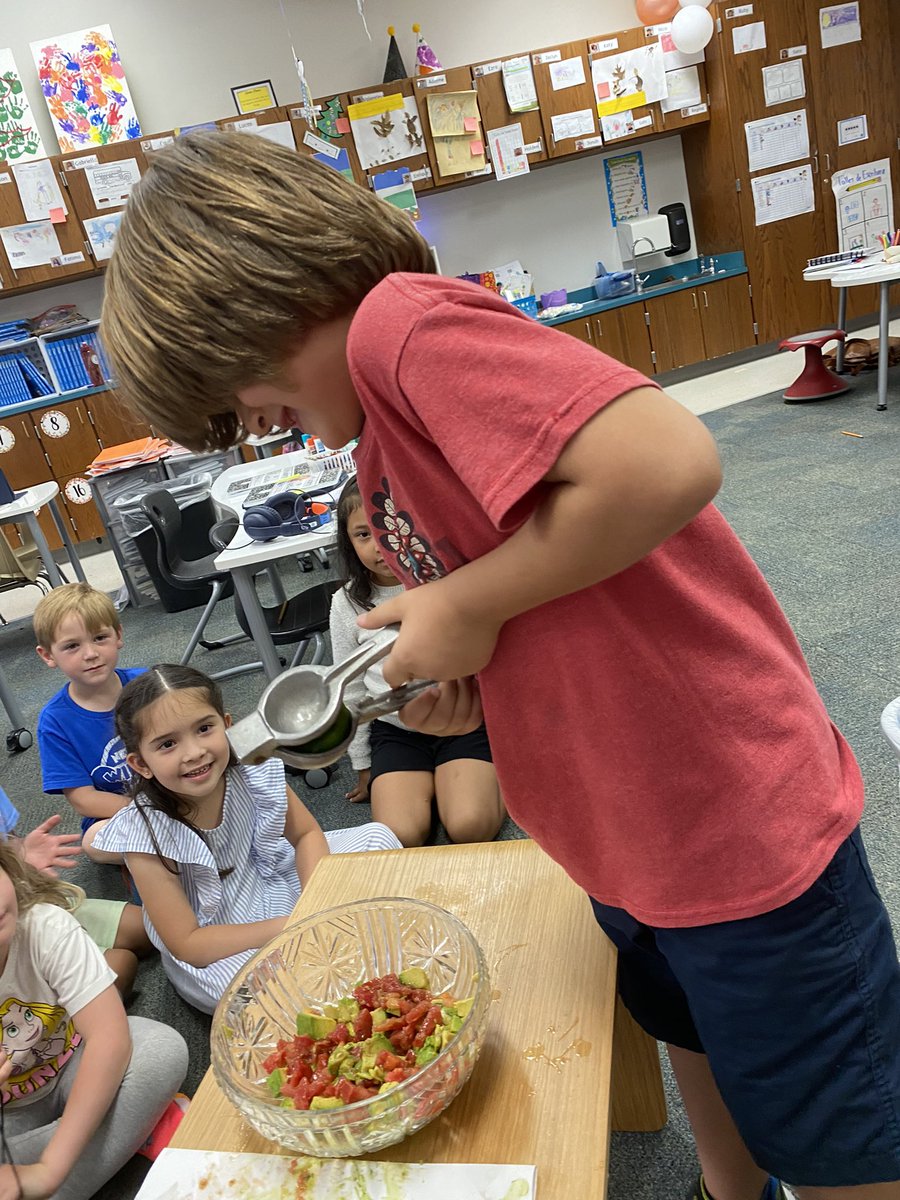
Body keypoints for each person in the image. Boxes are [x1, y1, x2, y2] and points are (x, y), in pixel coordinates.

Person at [99, 131, 900, 1198]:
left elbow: (669, 461)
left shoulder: (401, 327)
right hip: (627, 839)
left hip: (733, 834)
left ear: (265, 294)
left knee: (836, 1139)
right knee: (697, 1048)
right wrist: (467, 680)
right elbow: (552, 592)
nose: (248, 425)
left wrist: (466, 603)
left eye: (236, 387)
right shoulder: (378, 445)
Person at [92, 664, 402, 1013]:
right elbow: (189, 944)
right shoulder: (144, 835)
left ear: (228, 725)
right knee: (259, 996)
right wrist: (294, 926)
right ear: (140, 764)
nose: (193, 752)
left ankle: (340, 947)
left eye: (204, 729)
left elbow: (304, 834)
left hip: (272, 877)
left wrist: (317, 900)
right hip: (219, 936)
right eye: (167, 744)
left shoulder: (252, 767)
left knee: (378, 838)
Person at [0, 838, 188, 1200]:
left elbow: (109, 1039)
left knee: (161, 1050)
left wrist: (49, 1170)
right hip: (12, 1116)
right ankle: (125, 1130)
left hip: (74, 1065)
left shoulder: (44, 927)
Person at [331, 478, 504, 846]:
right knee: (400, 835)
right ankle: (441, 784)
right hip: (395, 731)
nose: (380, 545)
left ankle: (466, 782)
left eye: (387, 529)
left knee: (470, 826)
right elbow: (350, 689)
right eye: (363, 535)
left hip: (465, 722)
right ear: (348, 543)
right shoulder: (345, 602)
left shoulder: (447, 579)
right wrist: (362, 763)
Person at [0, 783, 152, 999]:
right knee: (121, 966)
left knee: (145, 928)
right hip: (10, 943)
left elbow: (9, 846)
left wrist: (22, 858)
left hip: (25, 903)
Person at [34, 583, 143, 866]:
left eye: (99, 638)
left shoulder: (147, 684)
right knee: (93, 841)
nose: (90, 653)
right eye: (72, 646)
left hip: (178, 788)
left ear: (118, 635)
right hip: (121, 812)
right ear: (48, 656)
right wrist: (151, 808)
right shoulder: (55, 721)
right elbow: (83, 800)